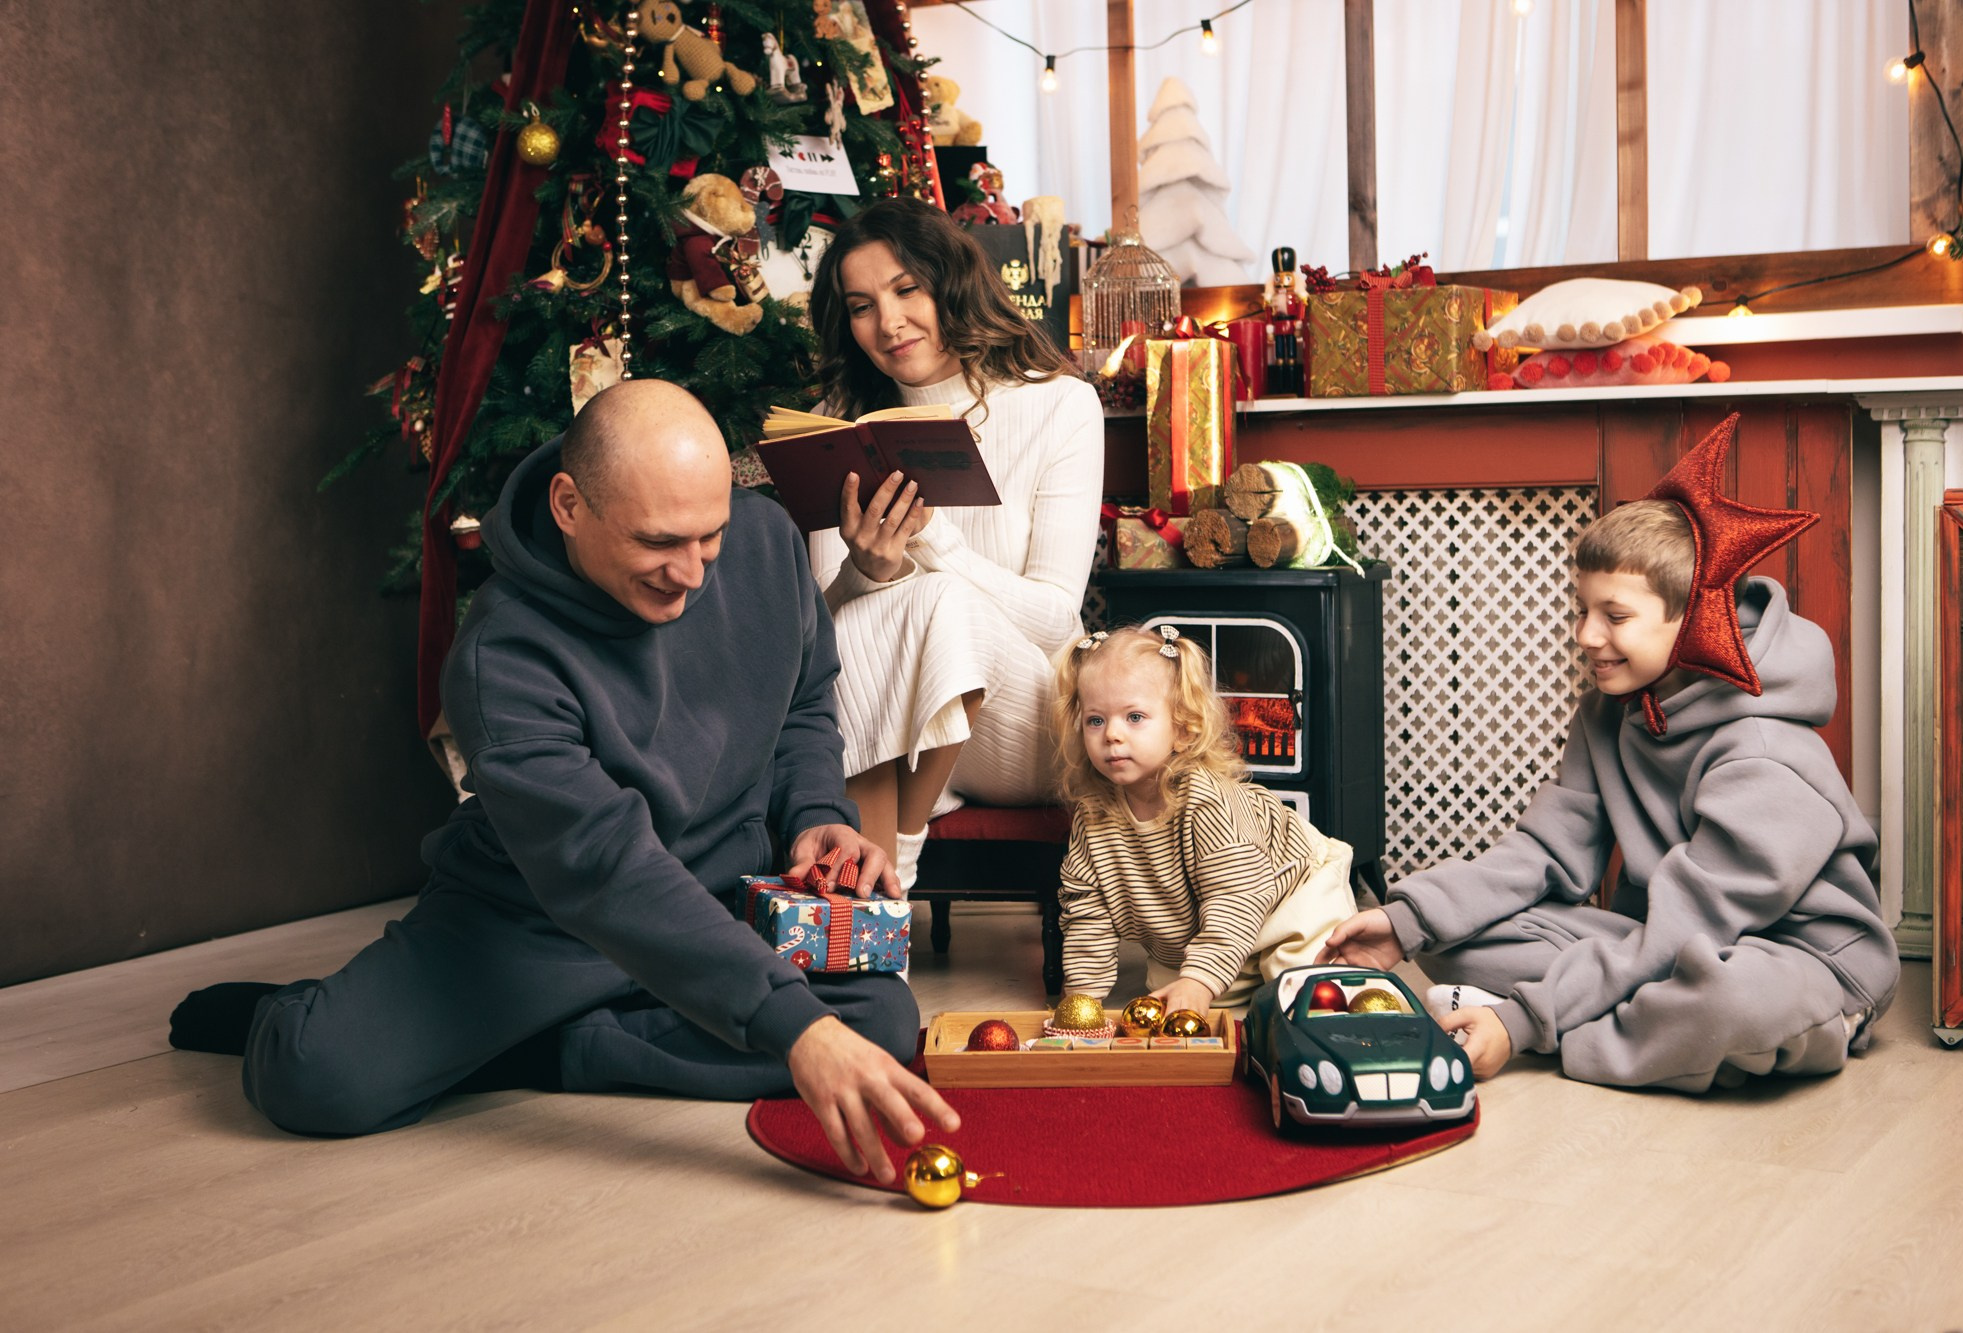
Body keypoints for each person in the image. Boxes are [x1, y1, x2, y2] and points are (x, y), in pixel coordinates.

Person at [170, 381, 956, 1183]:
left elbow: (803, 699)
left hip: (719, 906)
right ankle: (308, 1011)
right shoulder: (499, 657)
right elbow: (605, 869)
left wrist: (816, 810)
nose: (691, 574)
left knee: (881, 1022)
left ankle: (543, 1043)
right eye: (659, 543)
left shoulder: (764, 541)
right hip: (539, 919)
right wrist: (794, 1030)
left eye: (709, 537)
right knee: (318, 1076)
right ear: (570, 505)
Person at [1318, 415, 1899, 1093]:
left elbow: (1693, 919)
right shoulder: (1606, 713)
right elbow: (1545, 853)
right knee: (1457, 936)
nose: (1586, 635)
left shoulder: (1765, 751)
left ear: (1694, 619)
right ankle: (1642, 1028)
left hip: (1803, 958)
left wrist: (1527, 1018)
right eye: (1582, 608)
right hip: (1661, 935)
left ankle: (1593, 1026)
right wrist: (1405, 920)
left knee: (1728, 1003)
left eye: (1614, 615)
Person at [804, 196, 1103, 890]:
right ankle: (869, 922)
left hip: (1026, 725)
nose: (889, 322)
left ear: (951, 283)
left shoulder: (1057, 404)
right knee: (865, 613)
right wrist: (862, 572)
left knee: (939, 596)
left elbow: (1057, 620)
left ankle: (891, 875)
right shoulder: (835, 425)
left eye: (907, 289)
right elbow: (821, 626)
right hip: (894, 725)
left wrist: (936, 542)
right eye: (861, 305)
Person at [1052, 625, 1357, 1016]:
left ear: (1182, 729)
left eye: (1134, 717)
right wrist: (1082, 999)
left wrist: (1200, 980)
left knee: (1306, 992)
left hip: (1289, 893)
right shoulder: (1093, 817)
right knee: (1171, 997)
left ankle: (1290, 971)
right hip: (1200, 928)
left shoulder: (1206, 800)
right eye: (1096, 720)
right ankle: (1235, 970)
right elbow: (1086, 911)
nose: (1111, 734)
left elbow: (1236, 896)